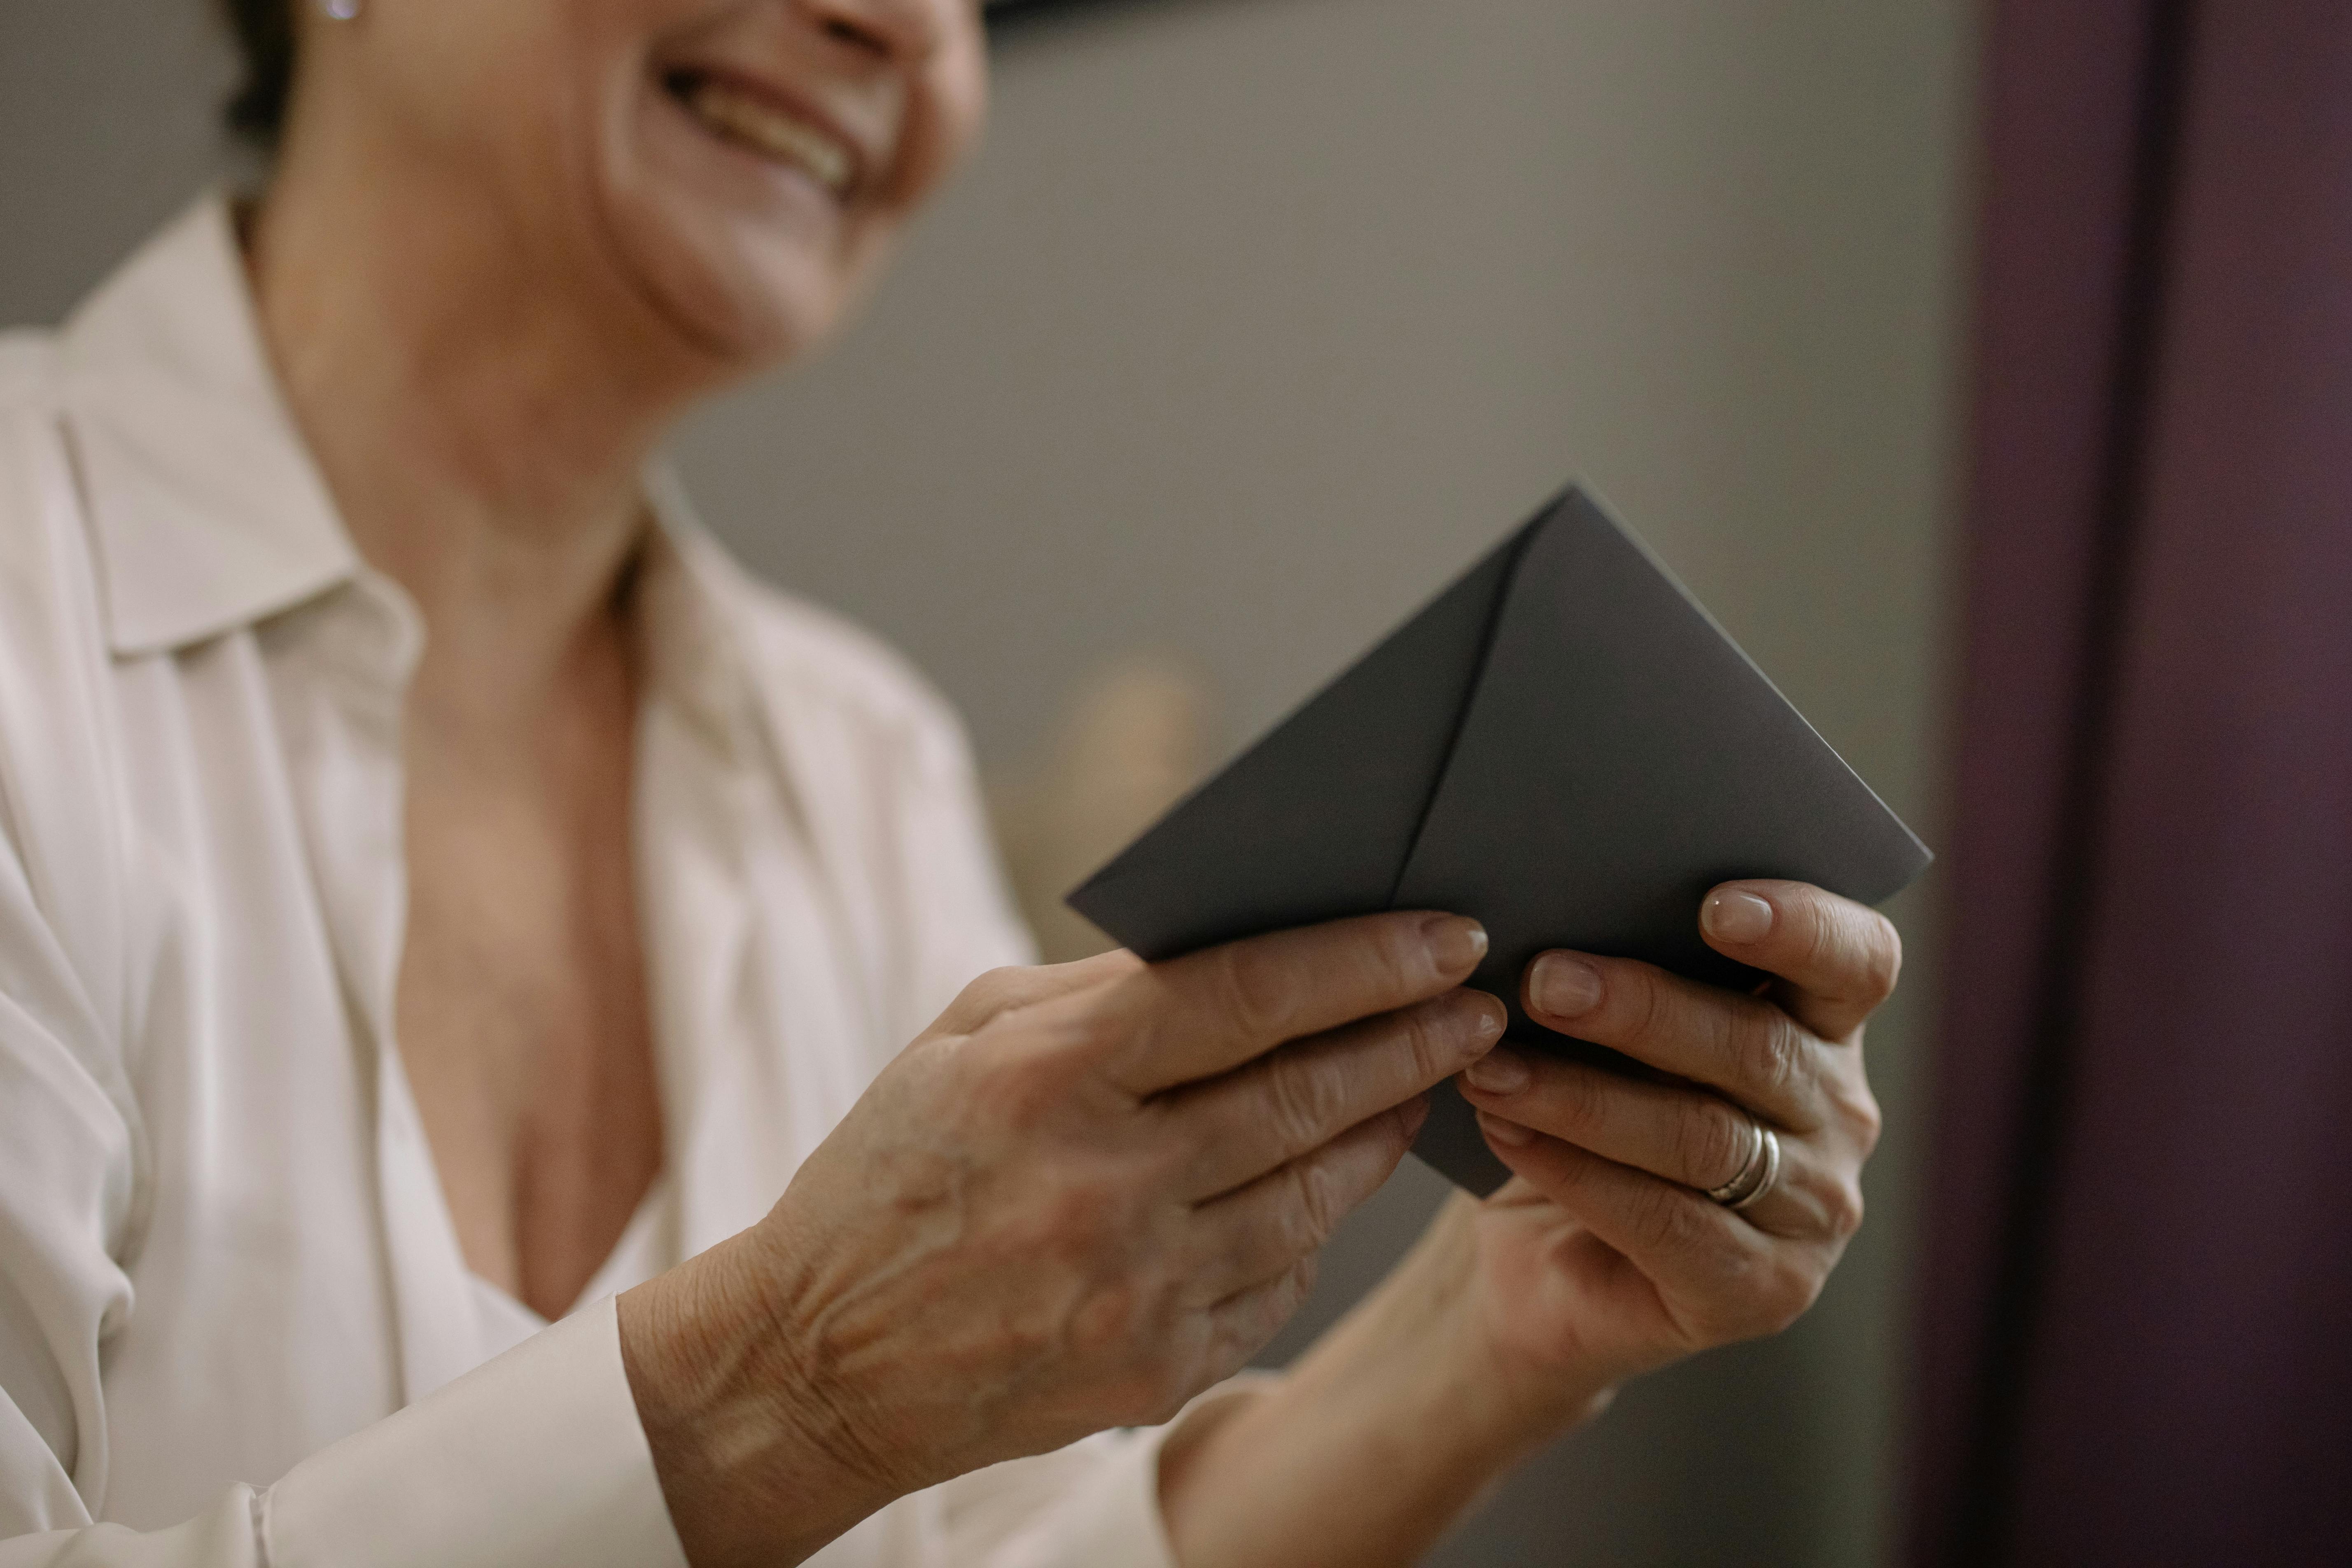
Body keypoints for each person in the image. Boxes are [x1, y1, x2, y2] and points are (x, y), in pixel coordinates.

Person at [0, 1, 1899, 1563]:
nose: (903, 29)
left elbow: (987, 1551)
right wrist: (789, 1393)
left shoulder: (860, 763)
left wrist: (1493, 1333)